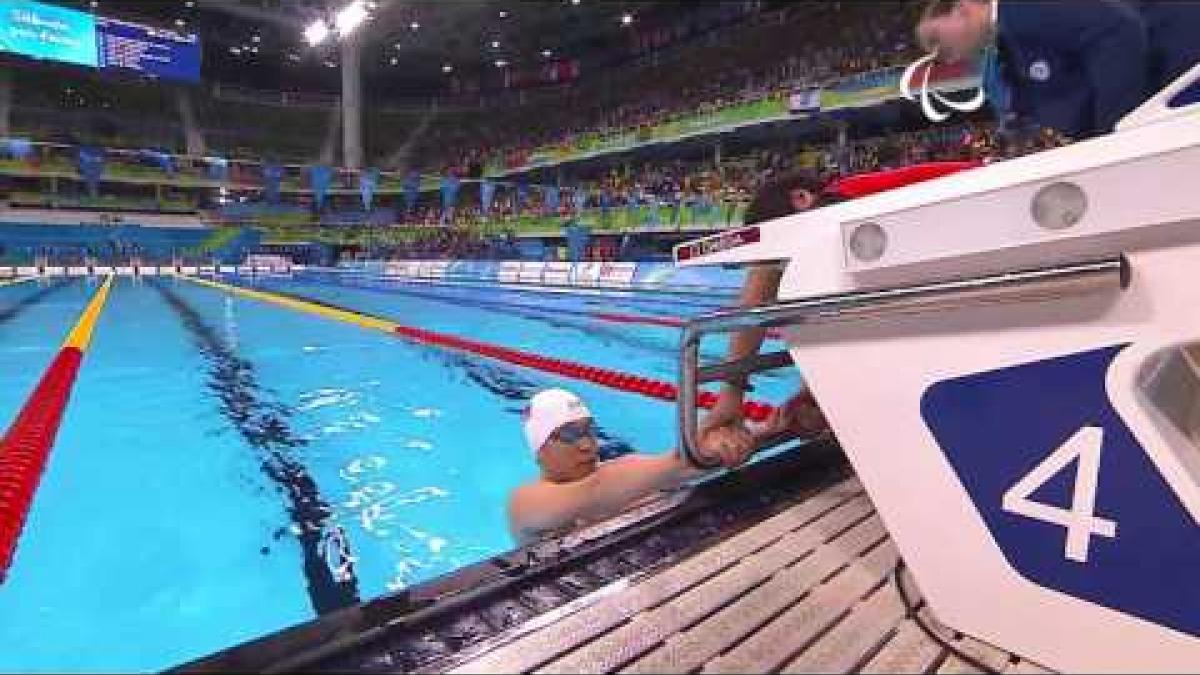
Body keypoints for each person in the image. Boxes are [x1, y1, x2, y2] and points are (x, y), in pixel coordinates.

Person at [507, 388, 797, 543]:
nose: (587, 444)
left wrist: (776, 431)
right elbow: (595, 491)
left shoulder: (616, 475)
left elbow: (680, 473)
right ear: (540, 448)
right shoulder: (524, 502)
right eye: (570, 434)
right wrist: (681, 458)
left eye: (589, 430)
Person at [914, 0, 1200, 140]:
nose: (941, 55)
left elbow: (1120, 31)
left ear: (961, 9)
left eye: (936, 40)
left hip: (1183, 72)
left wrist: (1115, 131)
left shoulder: (1021, 8)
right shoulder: (1012, 42)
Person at [700, 172, 836, 455]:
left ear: (802, 199)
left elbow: (762, 281)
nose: (786, 268)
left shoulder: (860, 208)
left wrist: (730, 393)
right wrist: (815, 391)